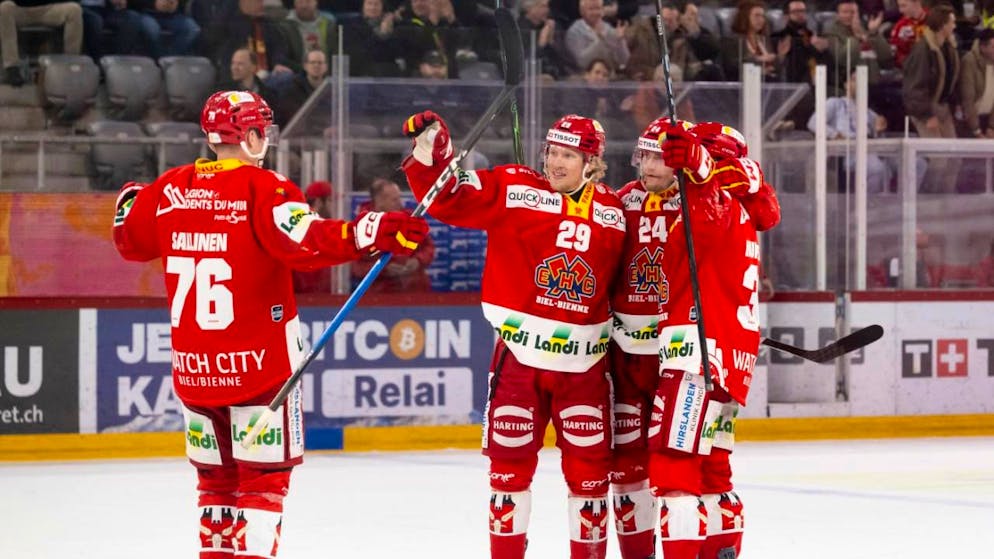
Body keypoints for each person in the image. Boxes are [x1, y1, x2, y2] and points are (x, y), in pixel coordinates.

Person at [112, 90, 428, 559]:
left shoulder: (170, 188)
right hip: (260, 374)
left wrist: (129, 198)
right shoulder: (265, 188)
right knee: (262, 484)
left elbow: (128, 238)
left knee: (215, 485)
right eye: (263, 130)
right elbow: (308, 240)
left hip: (196, 374)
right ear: (253, 136)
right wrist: (374, 231)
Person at [401, 110, 626, 559]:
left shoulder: (617, 212)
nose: (555, 163)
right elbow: (451, 197)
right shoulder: (516, 187)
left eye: (568, 155)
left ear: (593, 162)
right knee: (507, 474)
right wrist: (434, 154)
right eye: (552, 152)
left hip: (584, 369)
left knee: (591, 479)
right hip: (519, 362)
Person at [610, 118, 780, 559]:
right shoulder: (742, 203)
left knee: (673, 467)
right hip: (728, 361)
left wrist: (702, 172)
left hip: (694, 357)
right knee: (713, 470)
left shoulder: (714, 200)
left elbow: (704, 213)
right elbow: (765, 208)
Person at [351, 177, 436, 294]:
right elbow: (355, 267)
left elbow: (428, 247)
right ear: (379, 201)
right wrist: (382, 269)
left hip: (415, 291)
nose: (400, 203)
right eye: (395, 200)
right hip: (380, 297)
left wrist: (418, 261)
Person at [0, 0, 83, 87]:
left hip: (47, 10)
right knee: (5, 7)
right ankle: (12, 68)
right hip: (21, 10)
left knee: (75, 9)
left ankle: (71, 65)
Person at [292, 180, 335, 294]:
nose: (335, 206)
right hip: (309, 300)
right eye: (331, 200)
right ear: (318, 202)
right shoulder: (305, 229)